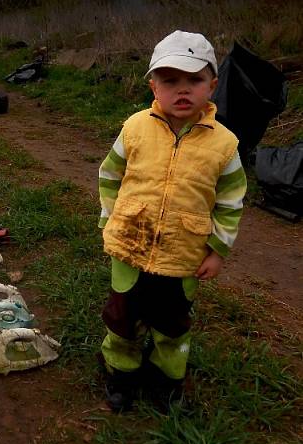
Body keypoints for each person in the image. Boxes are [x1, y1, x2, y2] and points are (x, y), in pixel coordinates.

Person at [97, 31, 247, 412]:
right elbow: (109, 176)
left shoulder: (224, 145)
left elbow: (231, 202)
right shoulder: (134, 128)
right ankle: (121, 371)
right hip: (129, 248)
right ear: (153, 85)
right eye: (170, 80)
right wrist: (110, 220)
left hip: (183, 257)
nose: (183, 90)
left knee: (172, 324)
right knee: (122, 317)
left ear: (212, 85)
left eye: (194, 80)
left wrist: (217, 250)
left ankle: (167, 379)